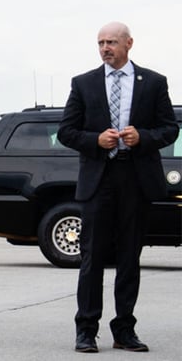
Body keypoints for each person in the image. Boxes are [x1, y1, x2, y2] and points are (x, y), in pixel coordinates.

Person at [58, 21, 178, 353]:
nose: (105, 48)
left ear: (129, 43)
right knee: (92, 256)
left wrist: (144, 137)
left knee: (129, 257)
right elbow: (67, 132)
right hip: (100, 178)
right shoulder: (83, 84)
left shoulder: (154, 82)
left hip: (136, 178)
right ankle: (86, 329)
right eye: (100, 43)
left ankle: (124, 329)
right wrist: (95, 139)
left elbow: (169, 129)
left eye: (111, 42)